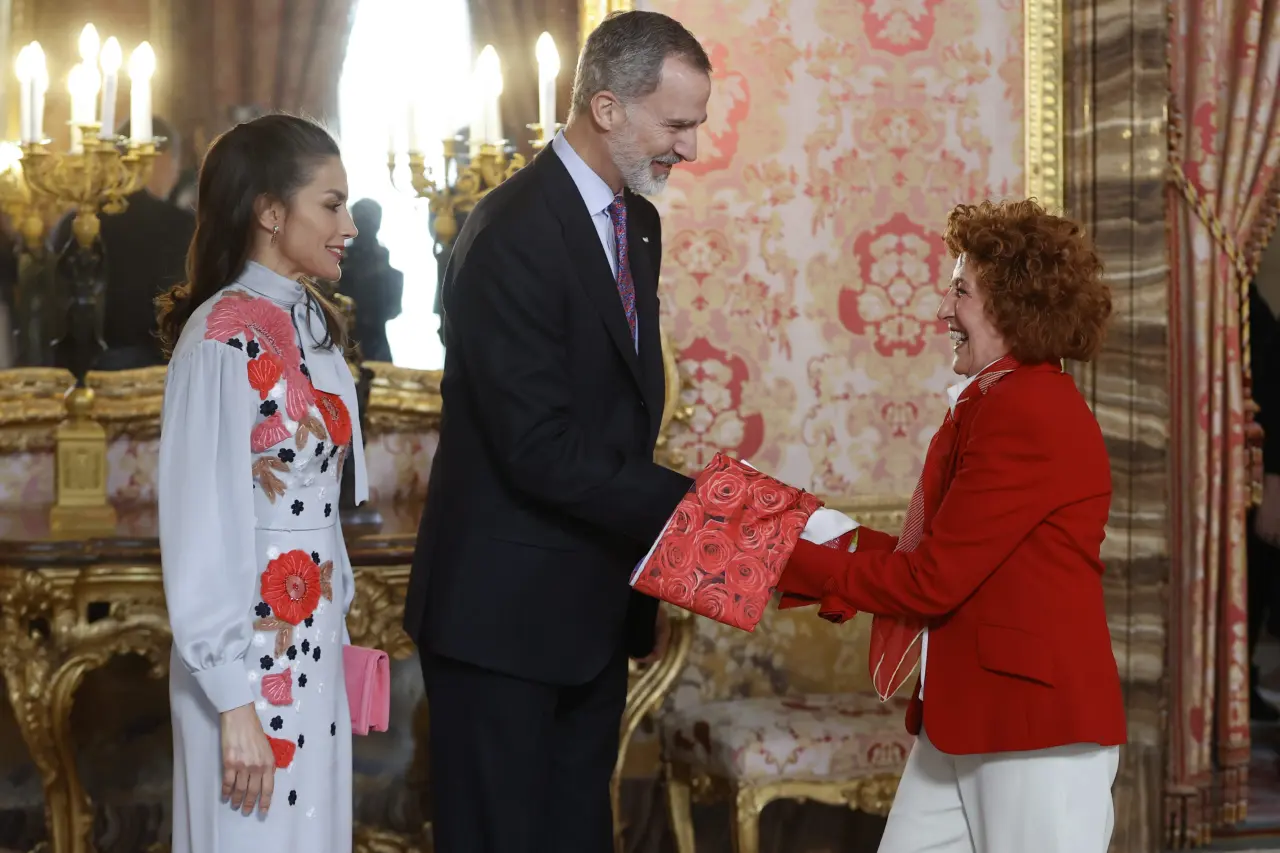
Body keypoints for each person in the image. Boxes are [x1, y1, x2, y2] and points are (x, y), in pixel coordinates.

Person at [403, 10, 711, 851]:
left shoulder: (635, 223)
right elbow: (538, 446)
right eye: (676, 124)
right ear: (607, 107)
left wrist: (647, 576)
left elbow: (617, 415)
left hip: (590, 612)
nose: (690, 148)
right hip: (499, 618)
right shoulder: (510, 233)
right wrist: (707, 510)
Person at [778, 199, 1126, 853]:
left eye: (961, 292)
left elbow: (932, 579)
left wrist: (779, 554)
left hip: (1034, 730)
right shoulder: (1001, 399)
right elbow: (947, 555)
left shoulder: (1028, 409)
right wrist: (802, 530)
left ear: (1013, 308)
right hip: (969, 714)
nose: (943, 309)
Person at [156, 113, 367, 853]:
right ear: (271, 212)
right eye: (331, 205)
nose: (349, 226)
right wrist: (231, 699)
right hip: (244, 655)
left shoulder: (310, 319)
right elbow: (199, 524)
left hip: (316, 634)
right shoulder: (220, 339)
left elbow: (323, 507)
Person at [52, 116, 195, 369]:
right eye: (175, 163)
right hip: (154, 369)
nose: (175, 175)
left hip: (75, 365)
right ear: (157, 157)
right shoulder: (179, 224)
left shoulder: (74, 221)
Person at [338, 199, 402, 362]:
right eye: (362, 219)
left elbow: (393, 309)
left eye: (370, 219)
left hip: (375, 343)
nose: (367, 224)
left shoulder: (384, 263)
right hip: (347, 343)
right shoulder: (341, 261)